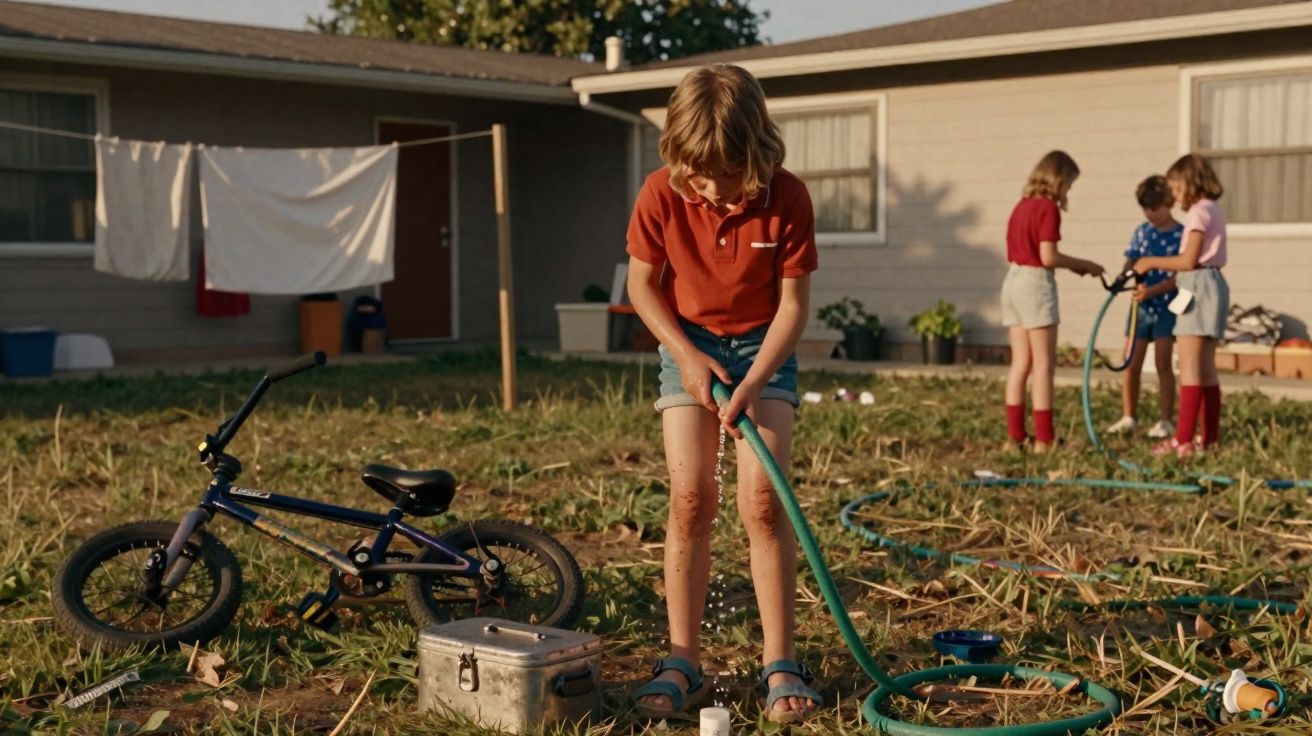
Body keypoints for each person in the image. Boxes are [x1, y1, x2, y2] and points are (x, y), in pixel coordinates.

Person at [624, 63, 822, 724]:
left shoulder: (788, 197)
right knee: (690, 497)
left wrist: (755, 381)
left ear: (758, 150)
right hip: (689, 344)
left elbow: (794, 306)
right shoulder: (661, 193)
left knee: (762, 502)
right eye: (699, 174)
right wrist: (686, 357)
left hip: (764, 348)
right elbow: (642, 286)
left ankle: (780, 661)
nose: (712, 189)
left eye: (728, 173)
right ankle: (682, 657)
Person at [1001, 150, 1105, 452]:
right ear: (1059, 179)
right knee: (1044, 364)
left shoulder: (1021, 206)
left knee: (1020, 362)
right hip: (1034, 284)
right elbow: (1048, 257)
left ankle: (1016, 437)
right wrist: (1082, 264)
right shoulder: (1047, 209)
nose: (1068, 190)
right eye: (1069, 184)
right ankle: (1045, 439)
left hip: (1012, 280)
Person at [1134, 154, 1229, 457]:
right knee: (1206, 369)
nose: (1174, 196)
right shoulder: (1213, 209)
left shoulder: (1198, 214)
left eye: (1176, 188)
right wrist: (1154, 290)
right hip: (1211, 285)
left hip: (1197, 287)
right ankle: (1208, 439)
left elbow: (1188, 261)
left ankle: (1182, 440)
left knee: (1188, 368)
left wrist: (1149, 262)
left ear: (1190, 183)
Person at [1105, 175, 1182, 439]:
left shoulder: (1181, 235)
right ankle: (1129, 417)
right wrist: (1122, 278)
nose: (1150, 214)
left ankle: (1165, 420)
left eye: (1155, 208)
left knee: (1163, 364)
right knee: (1131, 362)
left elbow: (1179, 276)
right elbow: (1131, 261)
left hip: (1166, 308)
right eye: (1145, 209)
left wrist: (1153, 291)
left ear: (1169, 203)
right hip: (1140, 308)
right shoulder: (1142, 232)